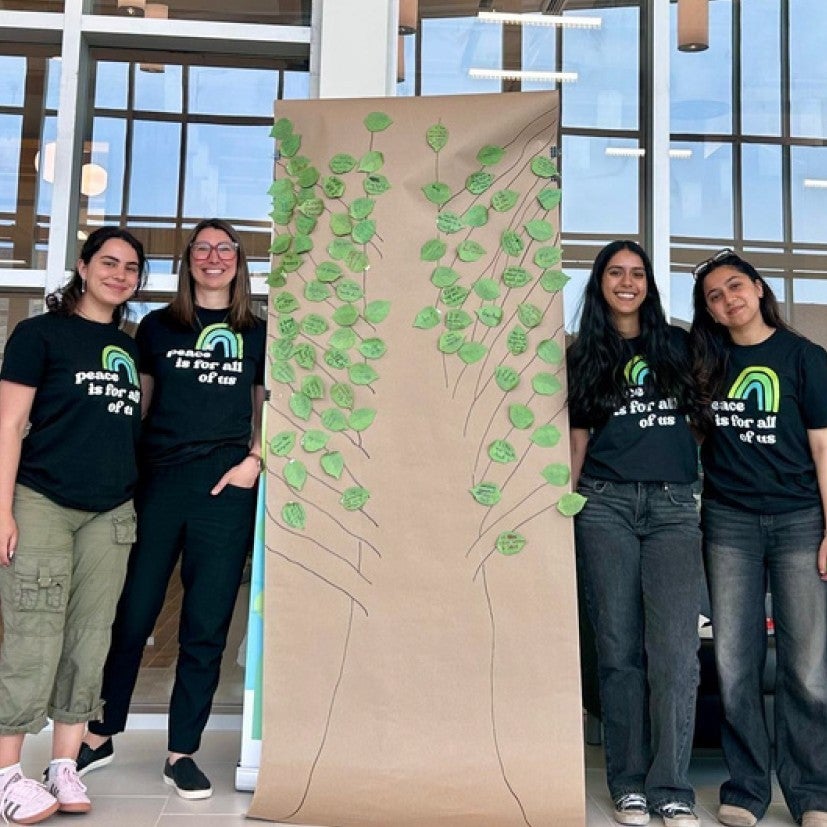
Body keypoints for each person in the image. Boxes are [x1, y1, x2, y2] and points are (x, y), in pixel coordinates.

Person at [78, 218, 266, 800]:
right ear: (188, 261)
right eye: (203, 248)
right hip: (158, 485)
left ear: (239, 261)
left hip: (227, 492)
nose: (214, 258)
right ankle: (100, 732)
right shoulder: (159, 327)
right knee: (132, 615)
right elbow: (135, 406)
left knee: (205, 625)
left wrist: (254, 460)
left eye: (225, 248)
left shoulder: (260, 333)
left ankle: (182, 751)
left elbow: (269, 404)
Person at [0, 227, 146, 823]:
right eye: (108, 262)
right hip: (43, 502)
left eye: (131, 267)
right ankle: (7, 772)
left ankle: (63, 764)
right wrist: (1, 508)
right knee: (34, 635)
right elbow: (8, 425)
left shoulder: (132, 349)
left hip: (111, 512)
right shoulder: (38, 335)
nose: (120, 273)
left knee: (90, 639)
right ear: (82, 268)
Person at [690, 249, 827, 827]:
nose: (727, 300)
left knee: (807, 665)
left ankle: (812, 792)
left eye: (735, 286)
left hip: (800, 519)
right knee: (737, 662)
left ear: (758, 287)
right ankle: (745, 788)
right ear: (712, 312)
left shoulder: (806, 358)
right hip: (729, 524)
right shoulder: (706, 362)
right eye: (714, 297)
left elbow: (824, 449)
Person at [568, 240, 703, 827]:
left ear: (649, 283)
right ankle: (628, 783)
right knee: (619, 651)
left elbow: (702, 423)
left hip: (674, 508)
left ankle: (672, 784)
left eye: (637, 273)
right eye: (616, 273)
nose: (627, 282)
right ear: (600, 284)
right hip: (604, 505)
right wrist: (566, 500)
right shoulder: (582, 354)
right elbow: (576, 435)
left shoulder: (677, 343)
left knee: (674, 652)